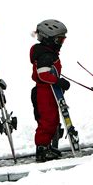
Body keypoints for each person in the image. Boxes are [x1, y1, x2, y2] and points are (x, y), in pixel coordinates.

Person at [30, 19, 70, 162]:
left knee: (53, 120)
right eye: (60, 40)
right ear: (49, 39)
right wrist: (58, 81)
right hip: (44, 93)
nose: (61, 43)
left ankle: (46, 146)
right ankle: (42, 148)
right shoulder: (45, 55)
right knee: (47, 121)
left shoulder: (48, 53)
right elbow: (43, 74)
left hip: (50, 92)